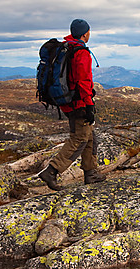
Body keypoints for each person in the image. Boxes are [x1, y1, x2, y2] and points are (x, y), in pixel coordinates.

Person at [39, 19, 105, 191]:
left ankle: (91, 173)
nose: (89, 34)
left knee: (90, 136)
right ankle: (51, 171)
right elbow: (84, 81)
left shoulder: (66, 47)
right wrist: (89, 105)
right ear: (85, 33)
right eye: (89, 32)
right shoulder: (80, 52)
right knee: (79, 138)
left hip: (68, 101)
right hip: (78, 103)